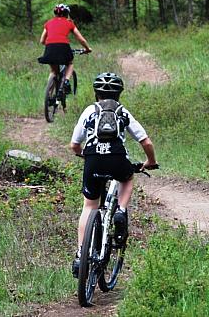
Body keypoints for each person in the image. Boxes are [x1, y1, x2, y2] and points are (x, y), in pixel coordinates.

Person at [69, 72, 158, 278]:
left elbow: (74, 144)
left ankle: (81, 253)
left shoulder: (89, 111)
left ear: (96, 92)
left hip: (92, 159)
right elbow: (145, 141)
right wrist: (150, 162)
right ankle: (121, 210)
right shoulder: (122, 112)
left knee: (89, 206)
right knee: (126, 179)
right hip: (118, 159)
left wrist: (83, 155)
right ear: (119, 93)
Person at [38, 3, 91, 94]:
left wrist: (52, 44)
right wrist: (87, 49)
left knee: (54, 71)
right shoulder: (69, 23)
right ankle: (66, 81)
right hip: (63, 46)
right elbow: (81, 39)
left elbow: (42, 40)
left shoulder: (48, 23)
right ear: (67, 14)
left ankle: (48, 96)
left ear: (55, 13)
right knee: (69, 63)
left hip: (49, 47)